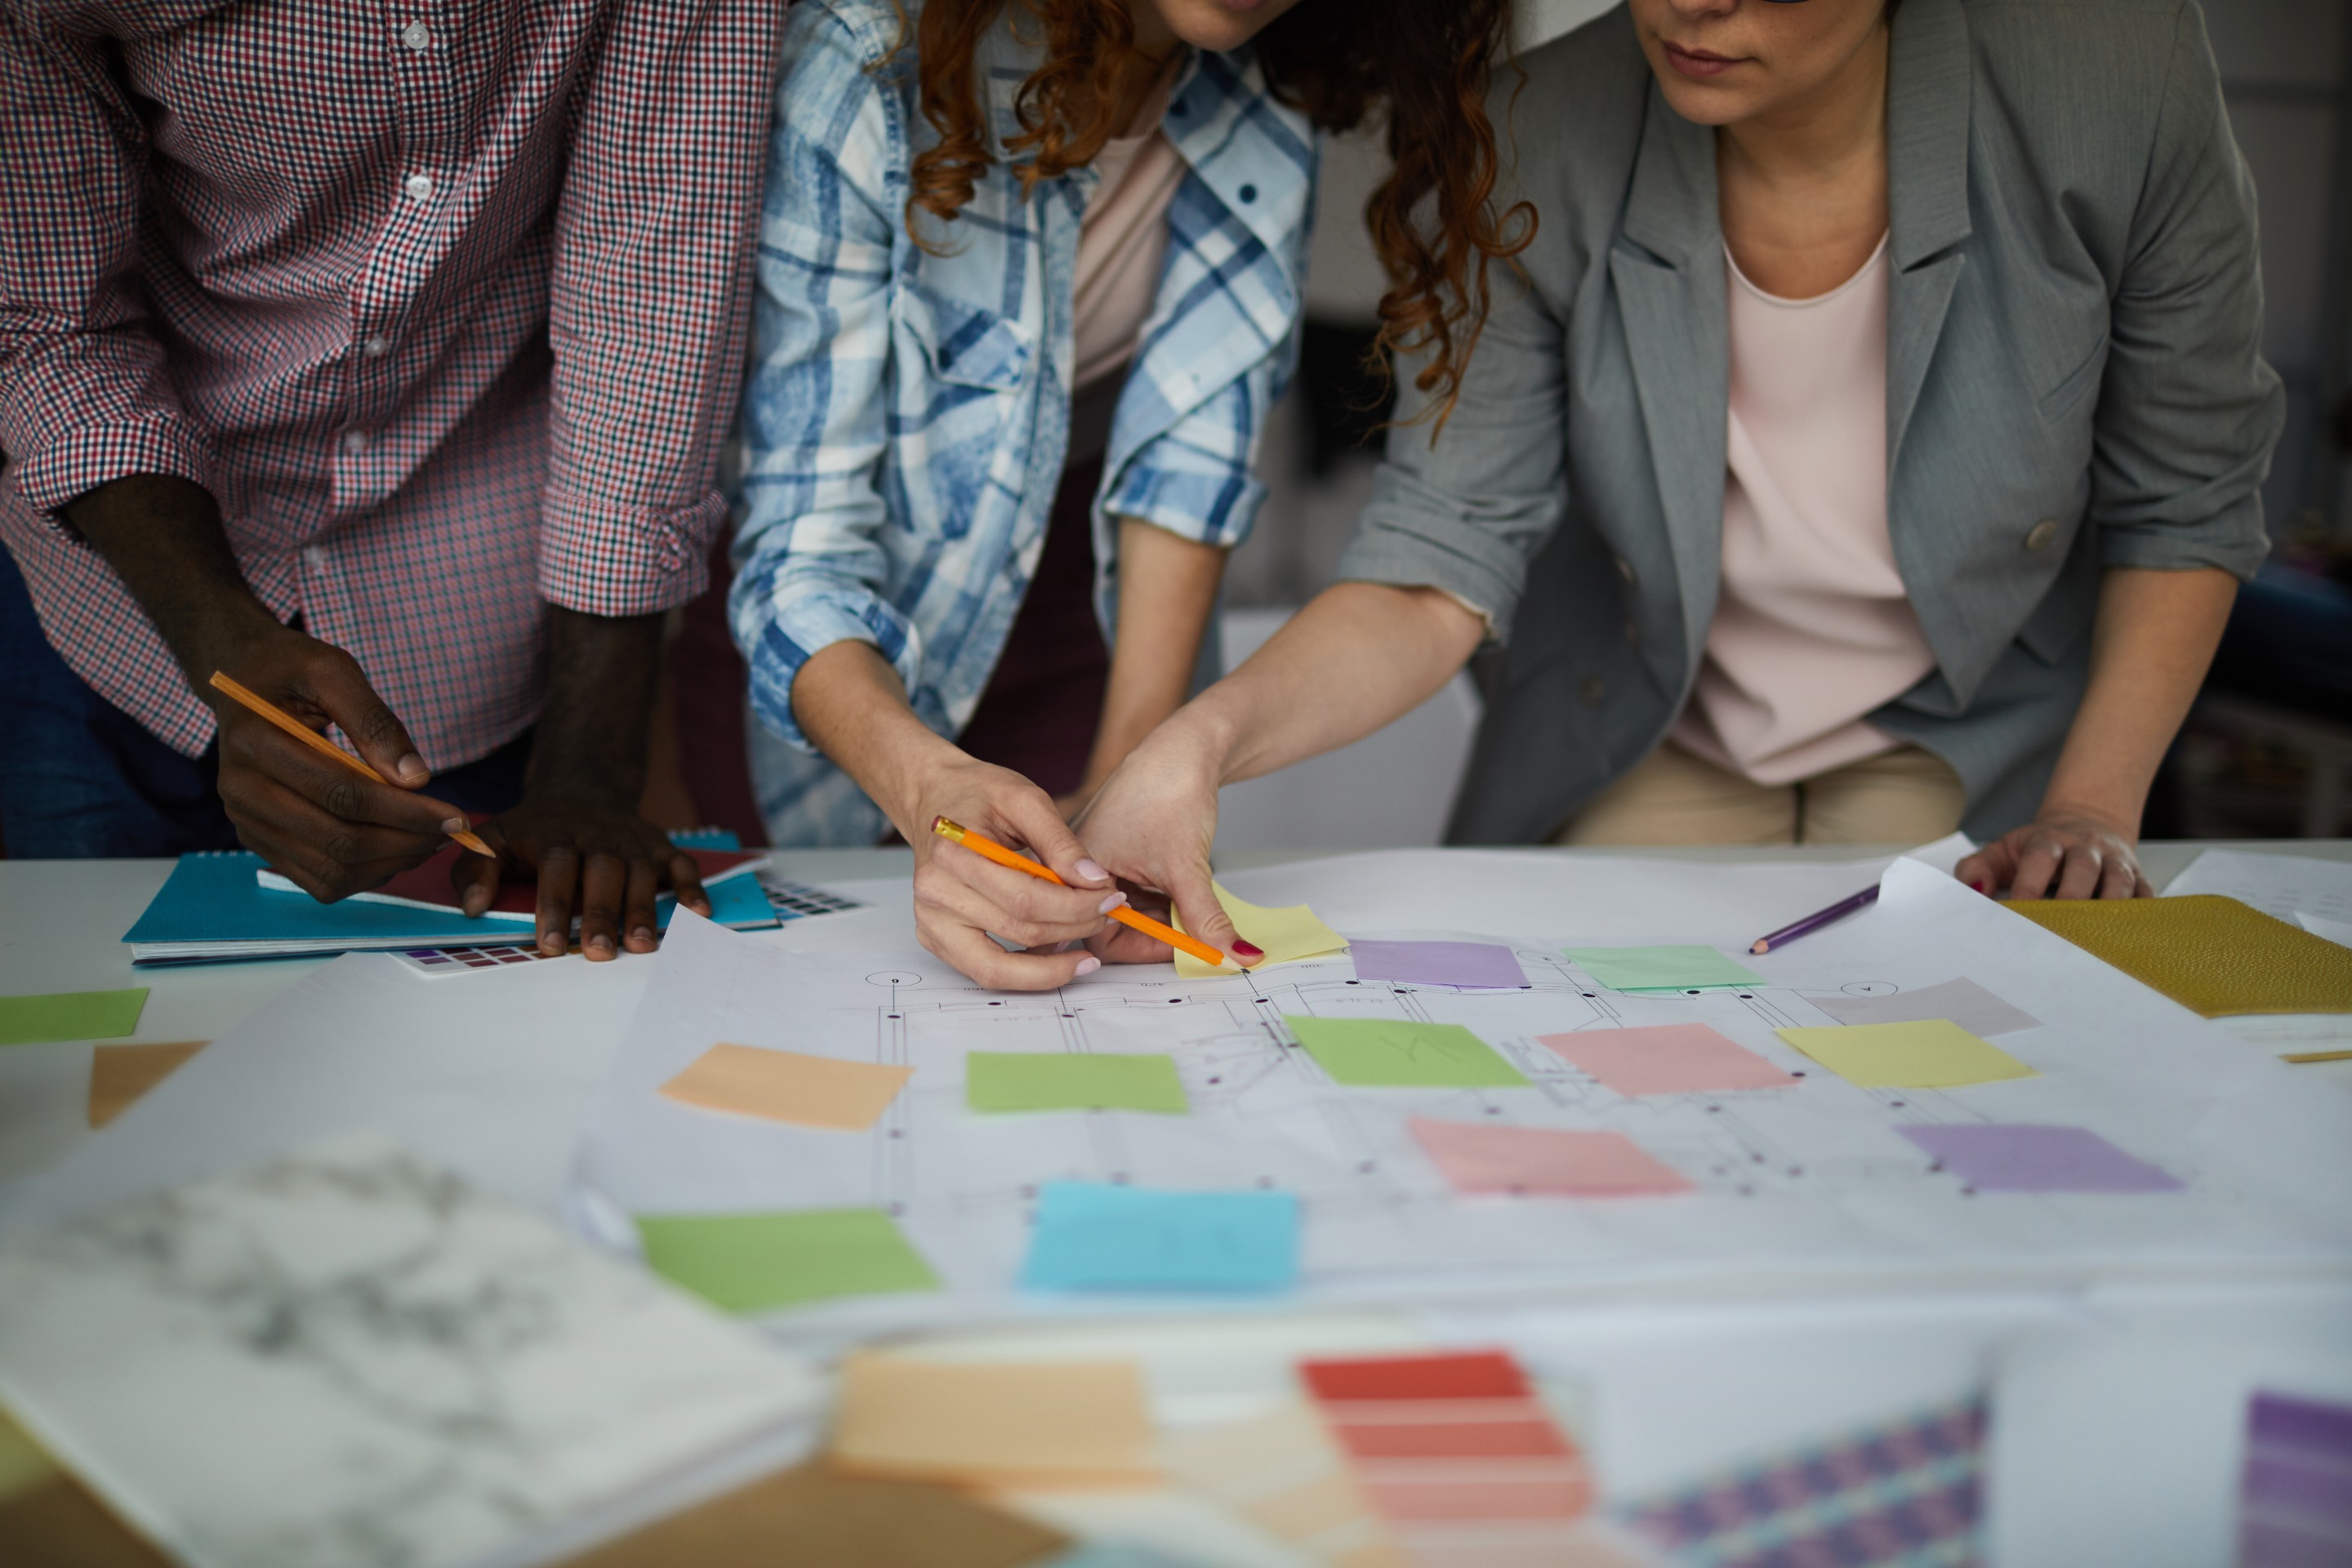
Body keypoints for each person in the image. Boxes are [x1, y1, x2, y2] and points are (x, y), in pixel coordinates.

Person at [1071, 0, 2283, 964]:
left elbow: (2186, 492)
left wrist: (2089, 807)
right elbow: (1438, 561)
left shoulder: (2117, 77)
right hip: (1644, 727)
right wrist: (1197, 744)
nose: (1695, 6)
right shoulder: (1535, 131)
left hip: (1981, 738)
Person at [730, 0, 1530, 987]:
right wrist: (925, 782)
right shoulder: (867, 56)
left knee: (1100, 982)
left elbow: (1192, 470)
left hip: (1086, 610)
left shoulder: (1264, 77)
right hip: (831, 668)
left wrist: (1122, 792)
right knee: (834, 992)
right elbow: (800, 544)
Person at [0, 0, 786, 960]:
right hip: (104, 615)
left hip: (474, 609)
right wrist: (219, 636)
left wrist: (585, 773)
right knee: (99, 1048)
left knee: (471, 1054)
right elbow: (47, 318)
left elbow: (653, 295)